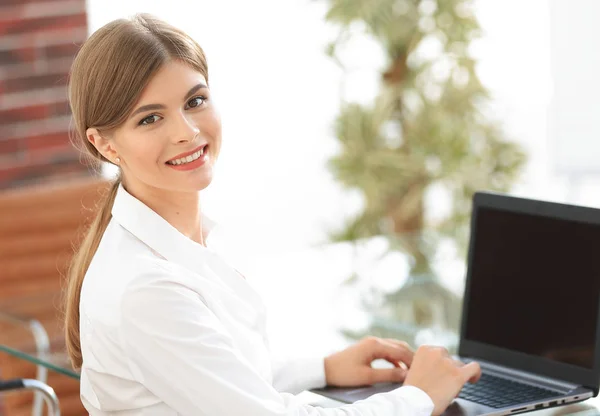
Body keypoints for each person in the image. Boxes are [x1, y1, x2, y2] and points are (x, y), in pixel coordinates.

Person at [63, 13, 481, 416]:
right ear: (106, 145)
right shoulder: (145, 288)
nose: (187, 131)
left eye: (196, 100)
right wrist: (419, 397)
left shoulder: (190, 239)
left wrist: (324, 368)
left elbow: (215, 376)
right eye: (150, 118)